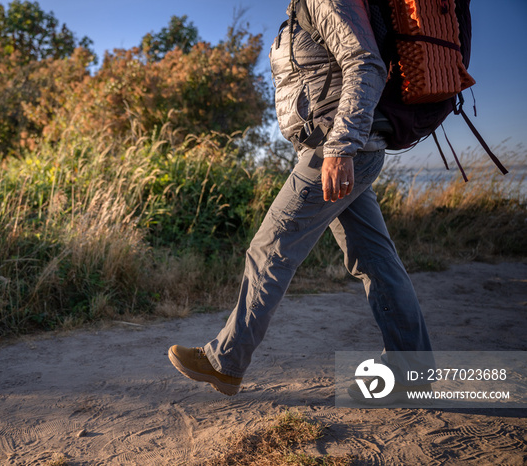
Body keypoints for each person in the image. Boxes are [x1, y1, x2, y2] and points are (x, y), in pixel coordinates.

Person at [168, 0, 433, 397]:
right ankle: (413, 368)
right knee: (375, 259)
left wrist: (340, 148)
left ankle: (226, 359)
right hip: (345, 149)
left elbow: (366, 64)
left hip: (339, 149)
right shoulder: (301, 11)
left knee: (270, 248)